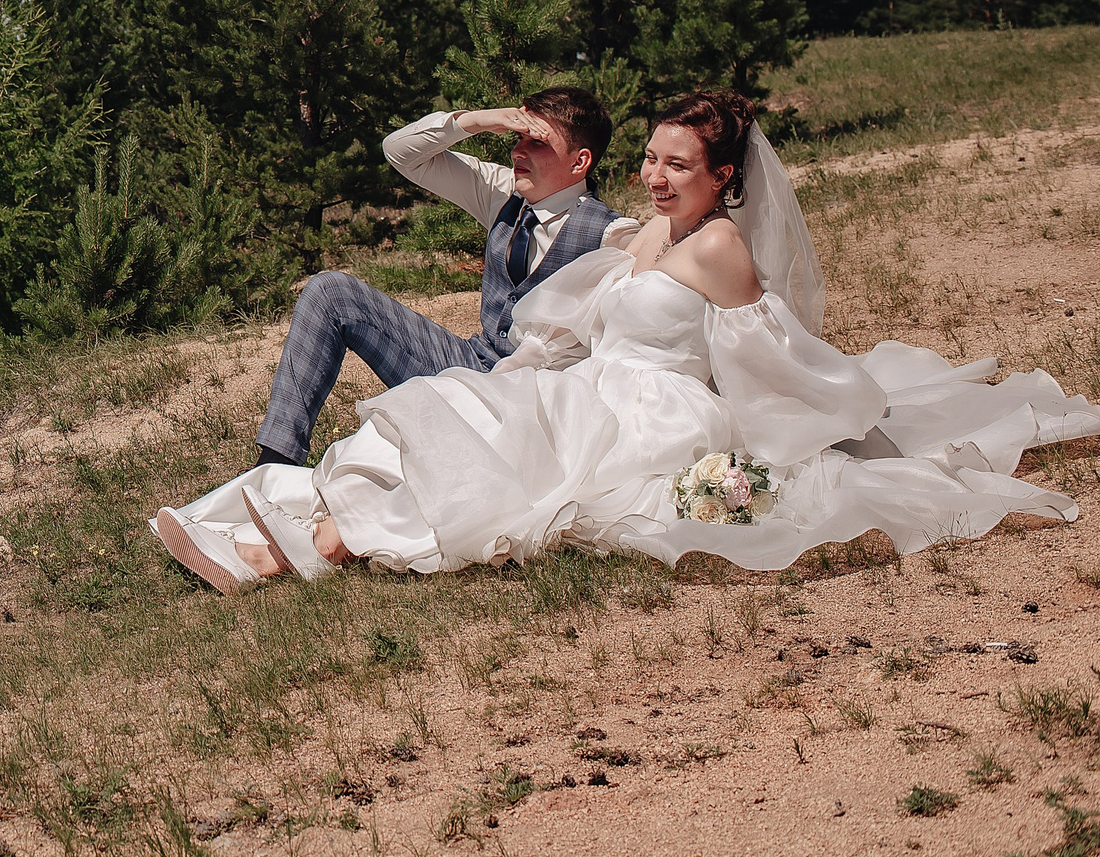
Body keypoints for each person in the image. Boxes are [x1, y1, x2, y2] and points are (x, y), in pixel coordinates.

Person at [153, 90, 1100, 588]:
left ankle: (292, 549)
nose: (656, 175)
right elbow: (415, 160)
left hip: (653, 409)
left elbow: (768, 353)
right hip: (586, 382)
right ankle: (274, 513)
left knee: (507, 462)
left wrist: (811, 426)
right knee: (457, 414)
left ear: (723, 174)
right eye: (651, 158)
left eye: (675, 163)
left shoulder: (718, 245)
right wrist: (488, 121)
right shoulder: (642, 228)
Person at [251, 87, 639, 471]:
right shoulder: (502, 192)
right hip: (469, 365)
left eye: (536, 142)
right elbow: (400, 152)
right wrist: (480, 120)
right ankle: (273, 468)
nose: (518, 151)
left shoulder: (613, 237)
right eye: (518, 137)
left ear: (580, 161)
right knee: (330, 292)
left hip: (533, 408)